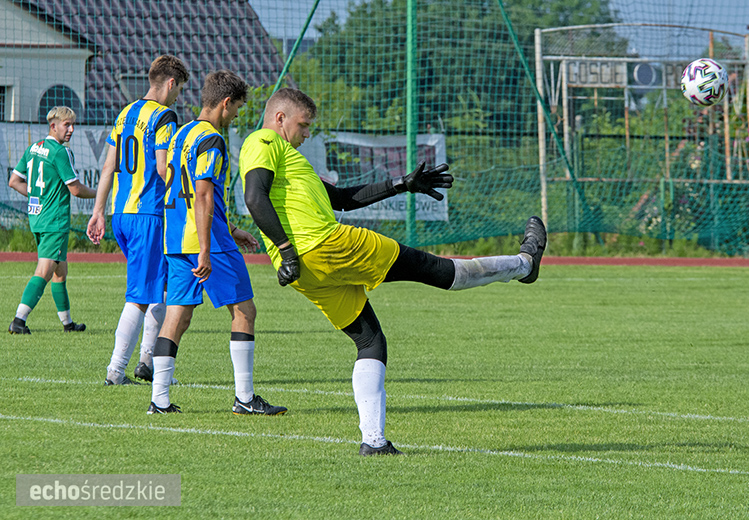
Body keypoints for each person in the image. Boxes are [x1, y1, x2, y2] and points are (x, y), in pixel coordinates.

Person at [239, 88, 546, 456]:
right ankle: (524, 263)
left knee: (370, 341)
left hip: (307, 272)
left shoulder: (291, 162)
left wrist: (401, 184)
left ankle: (375, 441)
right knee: (439, 270)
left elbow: (345, 199)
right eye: (303, 125)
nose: (307, 134)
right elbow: (254, 197)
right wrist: (287, 249)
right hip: (323, 246)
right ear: (279, 119)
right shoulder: (263, 140)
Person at [147, 69, 287, 416]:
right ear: (225, 103)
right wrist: (210, 246)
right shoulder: (211, 139)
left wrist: (231, 228)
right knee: (244, 311)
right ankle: (245, 398)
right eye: (237, 108)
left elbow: (182, 186)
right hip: (206, 242)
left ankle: (159, 400)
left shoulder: (182, 134)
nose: (237, 116)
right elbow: (204, 195)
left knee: (177, 317)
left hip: (177, 239)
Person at [86, 55, 189, 386]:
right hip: (149, 214)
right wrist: (188, 184)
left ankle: (148, 362)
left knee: (157, 286)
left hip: (122, 213)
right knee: (141, 295)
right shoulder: (164, 116)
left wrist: (98, 210)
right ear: (171, 83)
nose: (178, 97)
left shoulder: (125, 114)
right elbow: (163, 168)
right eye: (179, 90)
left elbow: (108, 166)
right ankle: (115, 370)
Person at [8, 106, 97, 334]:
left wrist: (39, 196)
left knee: (60, 271)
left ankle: (68, 324)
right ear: (53, 125)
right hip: (55, 220)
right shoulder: (60, 152)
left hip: (37, 218)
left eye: (73, 125)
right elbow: (75, 189)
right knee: (45, 270)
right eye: (67, 125)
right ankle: (19, 321)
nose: (71, 129)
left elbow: (14, 181)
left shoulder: (34, 148)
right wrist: (102, 192)